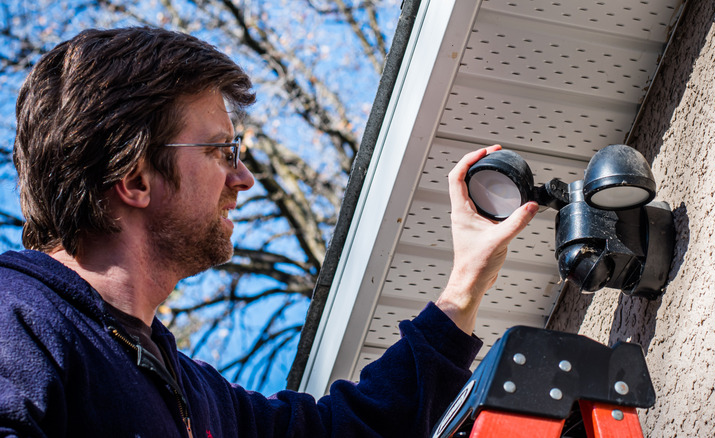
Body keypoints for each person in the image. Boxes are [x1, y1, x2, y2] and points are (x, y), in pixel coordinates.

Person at [0, 27, 538, 437]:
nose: (244, 178)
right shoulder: (16, 317)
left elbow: (350, 430)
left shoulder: (195, 395)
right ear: (136, 177)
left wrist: (466, 281)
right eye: (221, 151)